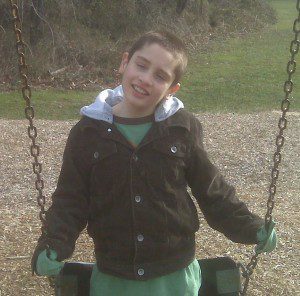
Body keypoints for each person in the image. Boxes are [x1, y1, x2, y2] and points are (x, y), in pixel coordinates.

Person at [31, 31, 277, 296]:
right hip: (114, 275)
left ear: (172, 88)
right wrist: (54, 243)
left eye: (160, 76)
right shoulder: (88, 133)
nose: (145, 79)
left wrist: (251, 227)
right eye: (141, 65)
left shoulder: (182, 129)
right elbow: (71, 198)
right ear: (125, 63)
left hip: (174, 276)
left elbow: (213, 191)